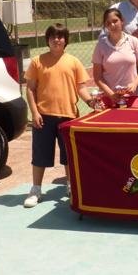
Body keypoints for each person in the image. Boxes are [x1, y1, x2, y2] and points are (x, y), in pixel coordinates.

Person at [24, 23, 97, 208]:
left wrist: (91, 102)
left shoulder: (73, 62)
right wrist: (35, 112)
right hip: (43, 117)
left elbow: (81, 88)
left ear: (66, 40)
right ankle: (36, 189)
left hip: (69, 117)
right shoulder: (37, 61)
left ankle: (71, 186)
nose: (56, 40)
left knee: (69, 156)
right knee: (40, 155)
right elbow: (30, 89)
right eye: (53, 36)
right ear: (47, 40)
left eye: (60, 36)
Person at [92, 8, 138, 108]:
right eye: (108, 23)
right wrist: (111, 94)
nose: (112, 25)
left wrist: (135, 84)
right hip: (108, 98)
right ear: (105, 26)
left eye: (115, 21)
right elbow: (97, 77)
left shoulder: (133, 41)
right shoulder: (100, 45)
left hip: (132, 97)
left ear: (122, 21)